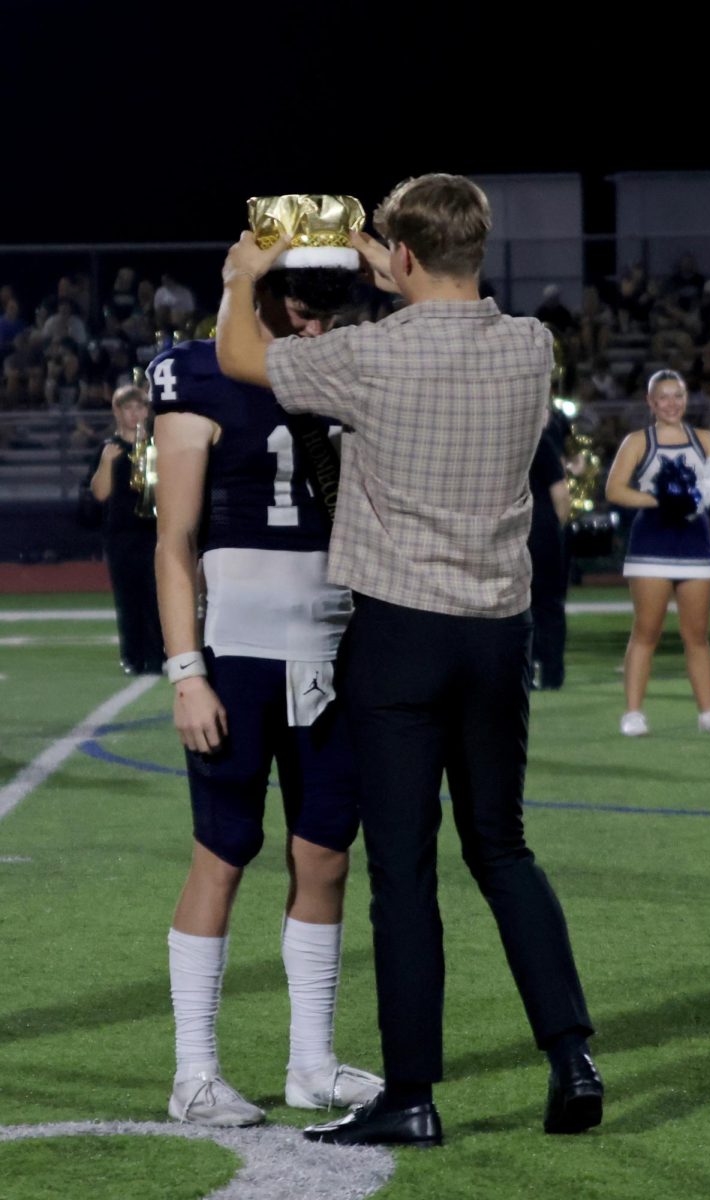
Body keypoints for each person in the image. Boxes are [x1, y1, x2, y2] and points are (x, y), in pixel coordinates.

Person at [214, 173, 601, 1148]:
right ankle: (569, 1055)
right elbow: (447, 293)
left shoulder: (370, 357)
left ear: (406, 258)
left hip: (397, 634)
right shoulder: (528, 345)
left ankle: (411, 1095)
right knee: (501, 848)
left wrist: (246, 269)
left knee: (402, 874)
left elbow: (238, 355)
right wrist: (390, 256)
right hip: (496, 633)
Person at [150, 245, 382, 1129]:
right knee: (223, 852)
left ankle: (312, 1064)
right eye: (304, 307)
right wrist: (185, 671)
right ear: (261, 292)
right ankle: (195, 1073)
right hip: (237, 650)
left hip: (331, 651)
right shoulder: (195, 373)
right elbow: (174, 545)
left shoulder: (339, 370)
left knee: (325, 853)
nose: (319, 325)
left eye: (333, 309)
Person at [605, 369, 710, 737]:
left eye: (678, 395)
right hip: (652, 544)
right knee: (646, 631)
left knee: (697, 635)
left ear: (686, 398)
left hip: (696, 543)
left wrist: (696, 500)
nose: (671, 403)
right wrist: (662, 500)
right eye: (663, 396)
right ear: (651, 402)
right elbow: (615, 490)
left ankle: (708, 712)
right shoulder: (637, 441)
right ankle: (633, 713)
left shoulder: (705, 439)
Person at [89, 384, 163, 676]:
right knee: (127, 597)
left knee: (156, 595)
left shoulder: (157, 445)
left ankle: (158, 656)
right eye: (129, 408)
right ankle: (132, 657)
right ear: (117, 412)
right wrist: (107, 462)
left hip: (155, 531)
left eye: (140, 408)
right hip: (121, 533)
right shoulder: (110, 448)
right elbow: (100, 494)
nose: (135, 413)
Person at [529, 431, 571, 690]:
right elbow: (561, 494)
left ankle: (525, 671)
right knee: (550, 608)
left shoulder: (495, 435)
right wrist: (555, 529)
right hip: (542, 534)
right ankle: (552, 674)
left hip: (508, 533)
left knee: (515, 609)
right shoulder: (540, 439)